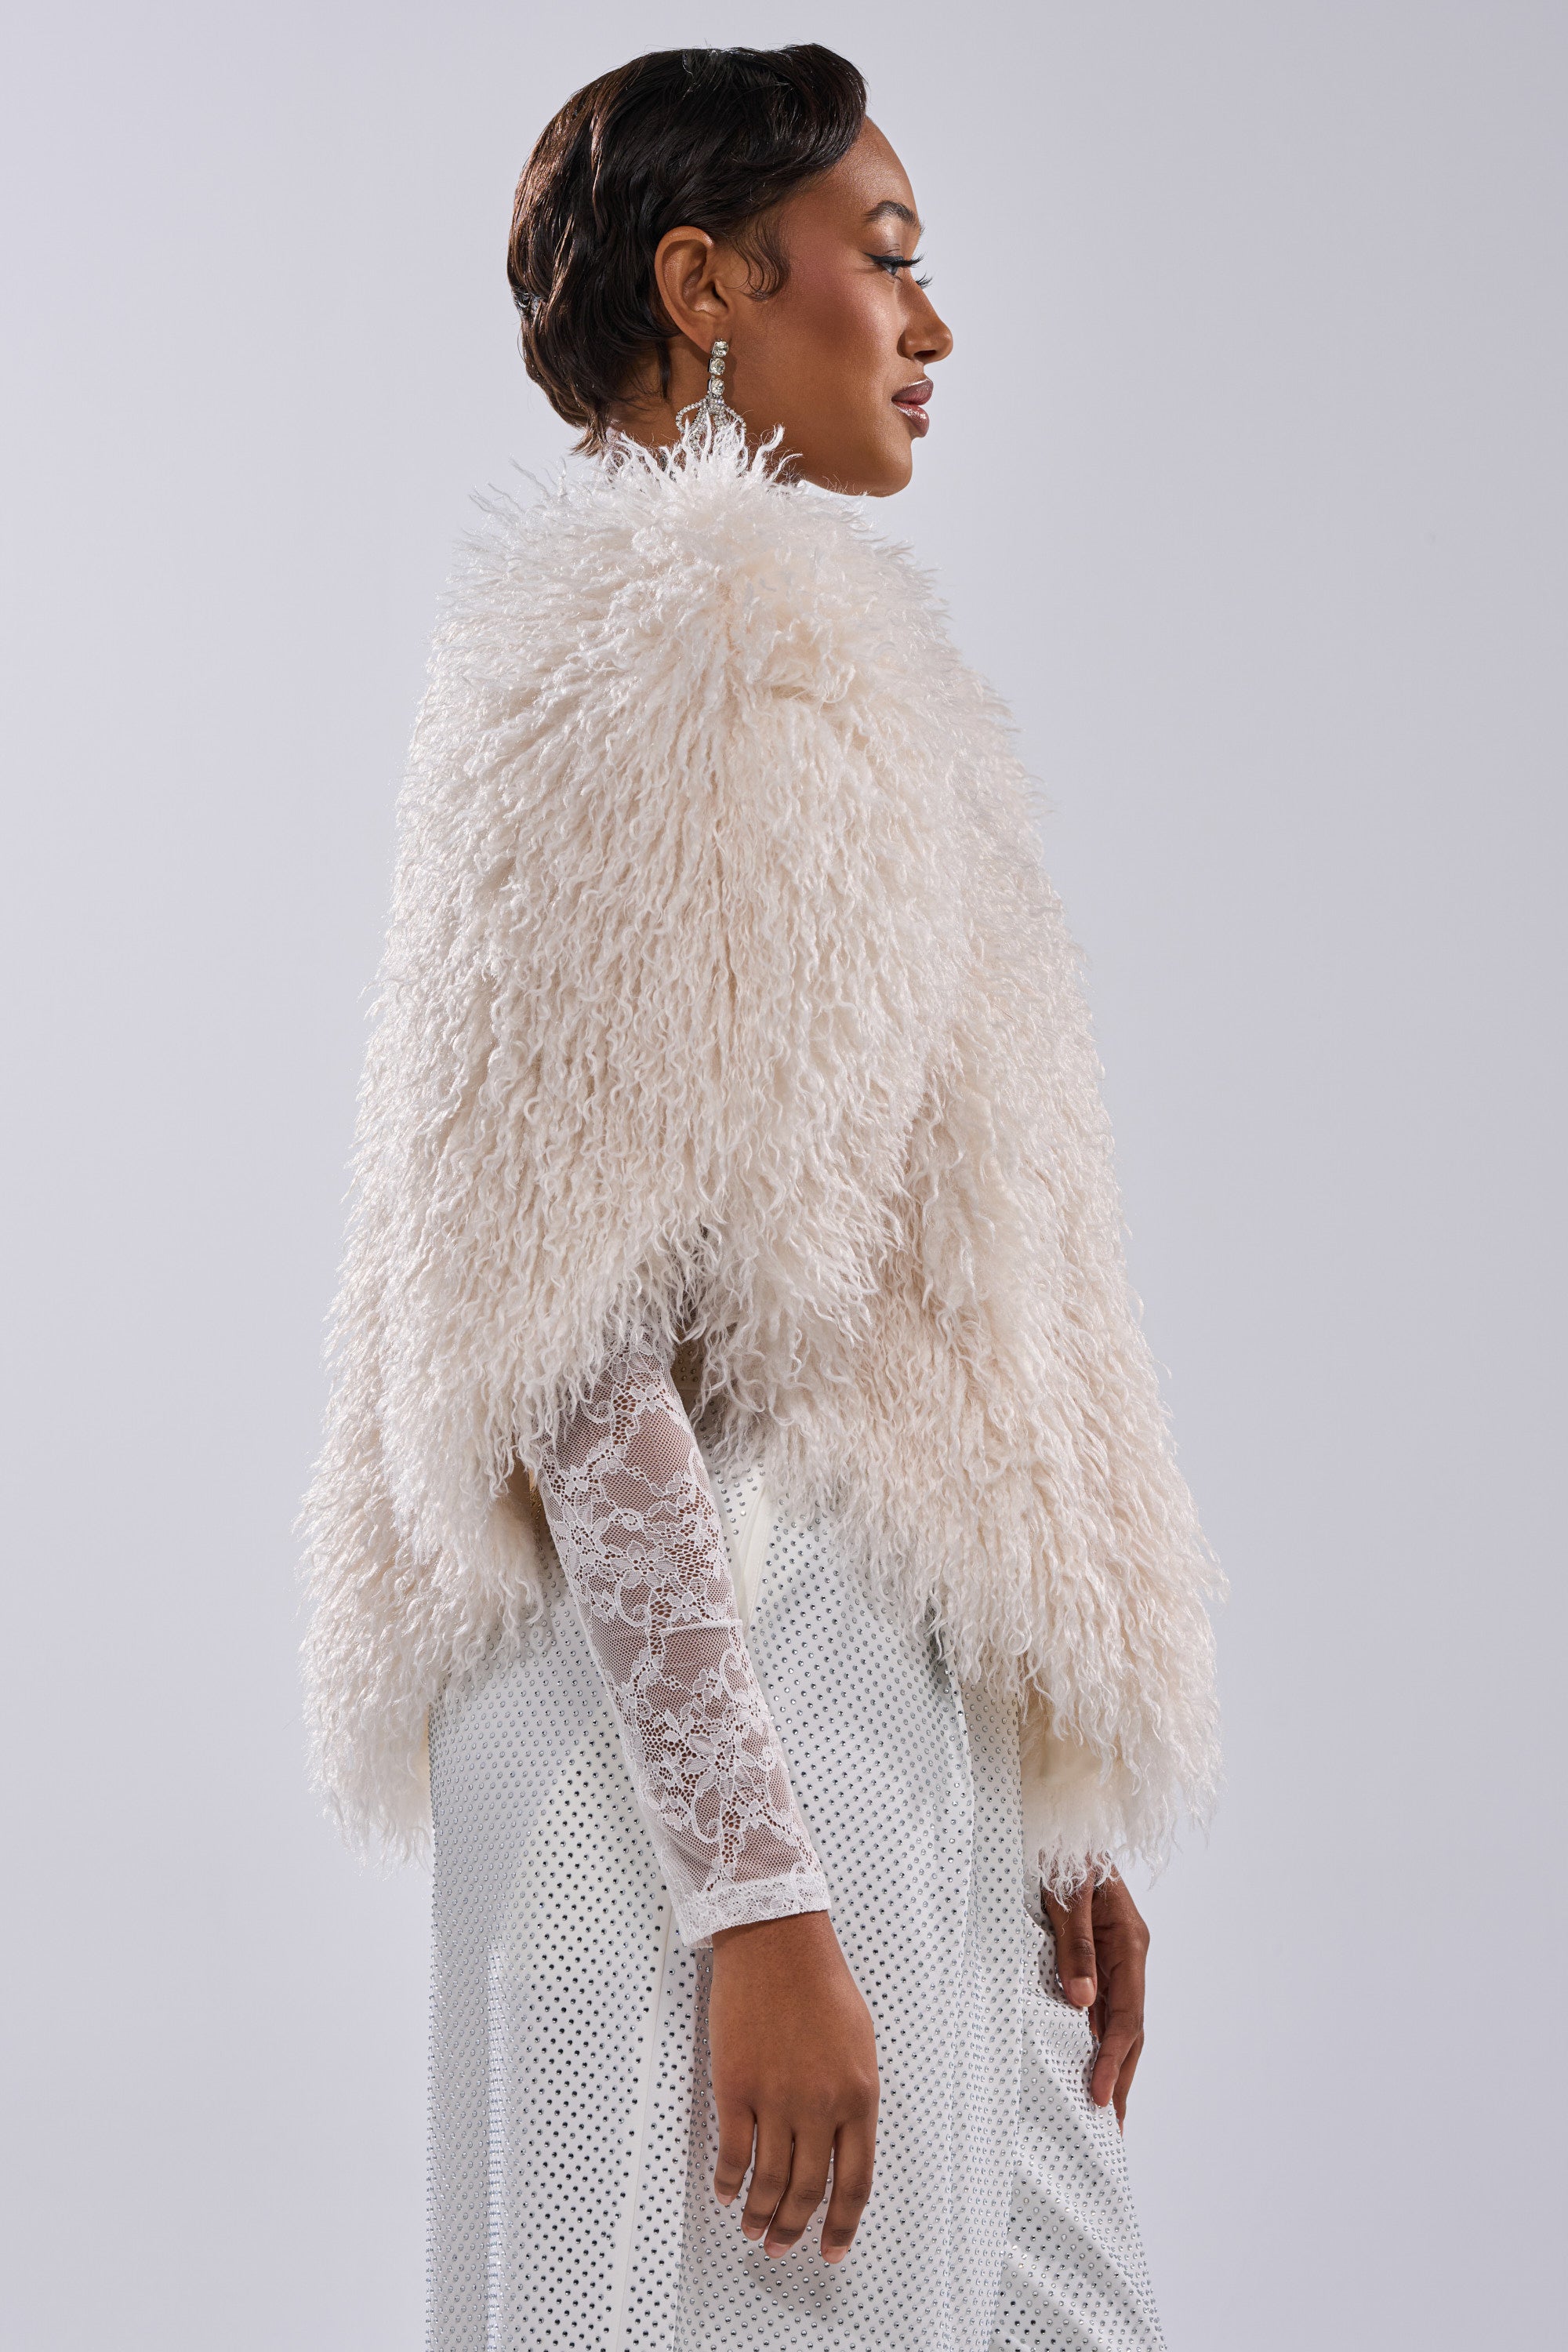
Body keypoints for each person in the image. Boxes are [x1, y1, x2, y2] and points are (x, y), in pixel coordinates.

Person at [303, 42, 1220, 2352]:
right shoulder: (645, 662)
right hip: (697, 1742)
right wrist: (754, 1896)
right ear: (709, 285)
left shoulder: (851, 694)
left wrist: (1048, 1794)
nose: (932, 324)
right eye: (884, 261)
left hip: (887, 1712)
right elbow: (571, 1348)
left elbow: (942, 1327)